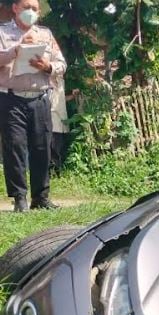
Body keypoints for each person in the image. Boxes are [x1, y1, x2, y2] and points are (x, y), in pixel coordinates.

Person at [0, 0, 66, 212]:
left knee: (42, 148)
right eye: (27, 7)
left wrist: (48, 67)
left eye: (35, 9)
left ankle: (41, 197)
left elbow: (61, 64)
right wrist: (16, 50)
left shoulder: (45, 34)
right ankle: (20, 198)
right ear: (15, 8)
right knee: (15, 147)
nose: (32, 12)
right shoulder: (2, 33)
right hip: (11, 99)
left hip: (39, 98)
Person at [49, 75, 77, 174]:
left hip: (61, 118)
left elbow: (61, 99)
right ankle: (53, 171)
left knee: (59, 146)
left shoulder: (60, 81)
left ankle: (57, 170)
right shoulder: (47, 80)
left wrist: (73, 96)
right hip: (52, 118)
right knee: (53, 147)